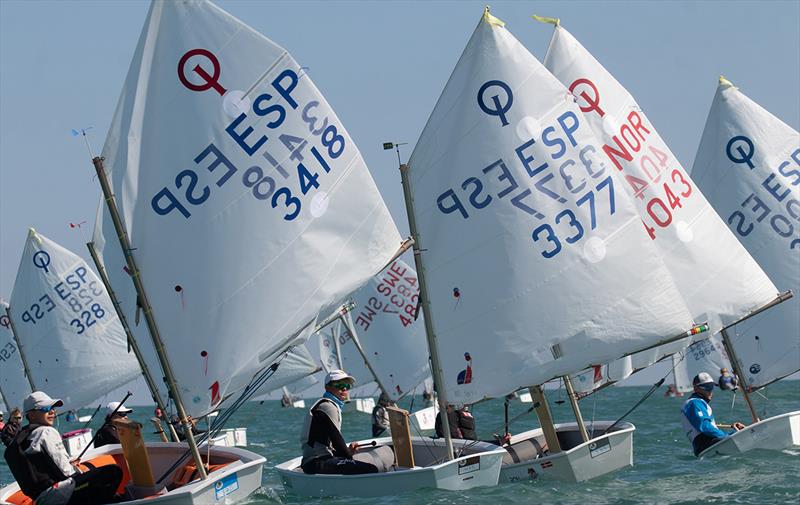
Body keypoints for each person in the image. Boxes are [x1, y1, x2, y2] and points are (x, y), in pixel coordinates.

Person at [4, 391, 123, 504]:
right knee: (113, 472)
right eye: (46, 409)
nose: (52, 412)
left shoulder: (23, 435)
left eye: (53, 409)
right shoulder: (46, 432)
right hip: (60, 495)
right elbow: (67, 472)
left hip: (41, 499)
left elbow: (41, 467)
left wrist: (69, 464)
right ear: (31, 414)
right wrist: (75, 469)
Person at [300, 369, 378, 475]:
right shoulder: (328, 407)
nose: (344, 388)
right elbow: (337, 440)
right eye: (339, 385)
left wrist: (348, 452)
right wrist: (350, 459)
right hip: (316, 462)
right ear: (327, 387)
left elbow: (328, 443)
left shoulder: (327, 405)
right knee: (371, 469)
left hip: (316, 461)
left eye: (347, 385)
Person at [681, 372, 746, 456]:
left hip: (707, 444)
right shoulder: (694, 403)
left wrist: (735, 431)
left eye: (711, 387)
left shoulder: (698, 403)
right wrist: (727, 436)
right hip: (705, 444)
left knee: (740, 432)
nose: (710, 391)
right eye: (707, 387)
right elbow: (704, 427)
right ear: (696, 388)